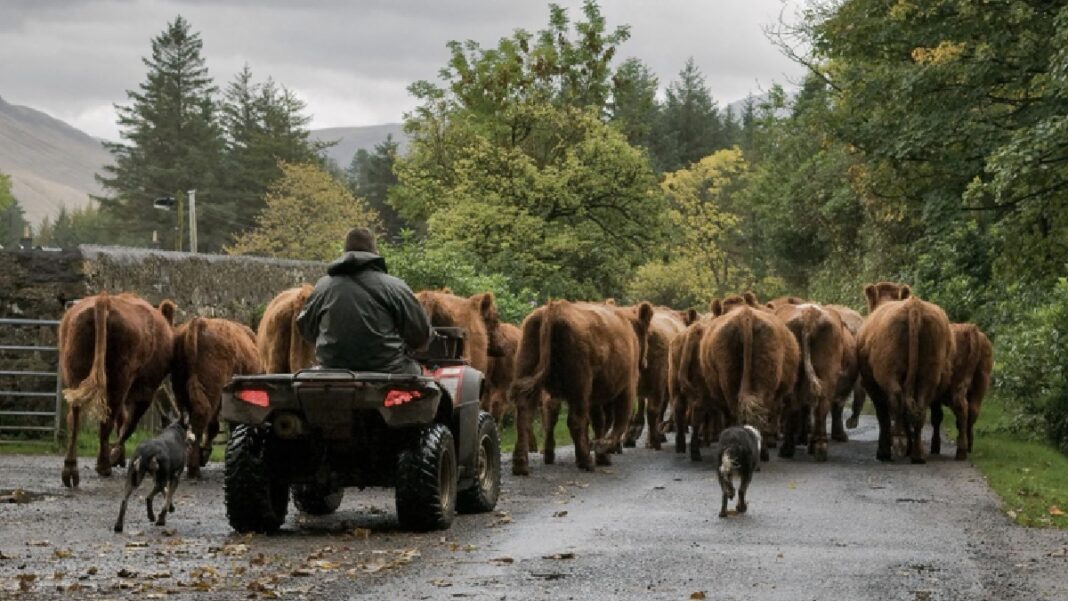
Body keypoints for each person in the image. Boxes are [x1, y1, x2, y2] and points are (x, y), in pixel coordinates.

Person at [296, 227, 431, 375]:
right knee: (424, 379)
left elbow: (306, 330)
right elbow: (420, 337)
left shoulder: (322, 287)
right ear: (375, 253)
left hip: (332, 371)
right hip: (390, 371)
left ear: (344, 253)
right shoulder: (395, 287)